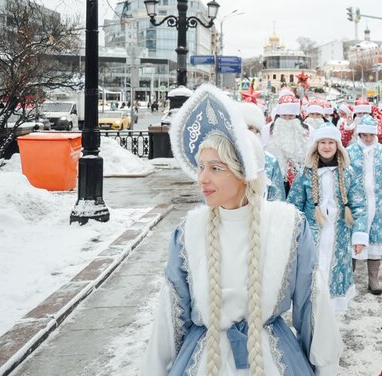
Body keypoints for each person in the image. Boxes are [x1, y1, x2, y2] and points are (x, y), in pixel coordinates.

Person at [142, 84, 341, 376]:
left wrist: (326, 368)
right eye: (200, 167)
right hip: (202, 361)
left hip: (274, 360)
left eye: (216, 168)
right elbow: (170, 317)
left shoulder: (287, 227)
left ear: (244, 174)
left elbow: (313, 308)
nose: (202, 179)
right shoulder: (189, 232)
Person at [289, 123, 369, 312]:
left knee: (334, 272)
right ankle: (310, 314)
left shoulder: (348, 173)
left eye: (330, 142)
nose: (326, 146)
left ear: (337, 145)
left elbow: (359, 205)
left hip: (339, 234)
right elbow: (293, 204)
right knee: (311, 272)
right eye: (322, 142)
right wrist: (293, 232)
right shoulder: (305, 173)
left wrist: (359, 235)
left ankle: (330, 315)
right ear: (316, 145)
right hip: (311, 234)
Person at [347, 114, 382, 295]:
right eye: (364, 135)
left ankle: (373, 279)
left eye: (371, 135)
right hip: (357, 204)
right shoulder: (350, 152)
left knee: (375, 242)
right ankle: (349, 280)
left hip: (377, 203)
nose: (368, 139)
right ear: (359, 134)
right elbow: (344, 178)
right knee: (354, 240)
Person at [240, 102, 285, 201]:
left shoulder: (270, 161)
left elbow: (277, 197)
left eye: (250, 128)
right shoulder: (224, 157)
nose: (246, 132)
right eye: (242, 127)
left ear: (257, 131)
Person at [265, 93, 309, 194]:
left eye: (291, 116)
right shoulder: (267, 130)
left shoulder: (307, 130)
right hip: (275, 176)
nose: (288, 119)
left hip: (300, 176)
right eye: (284, 116)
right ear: (279, 114)